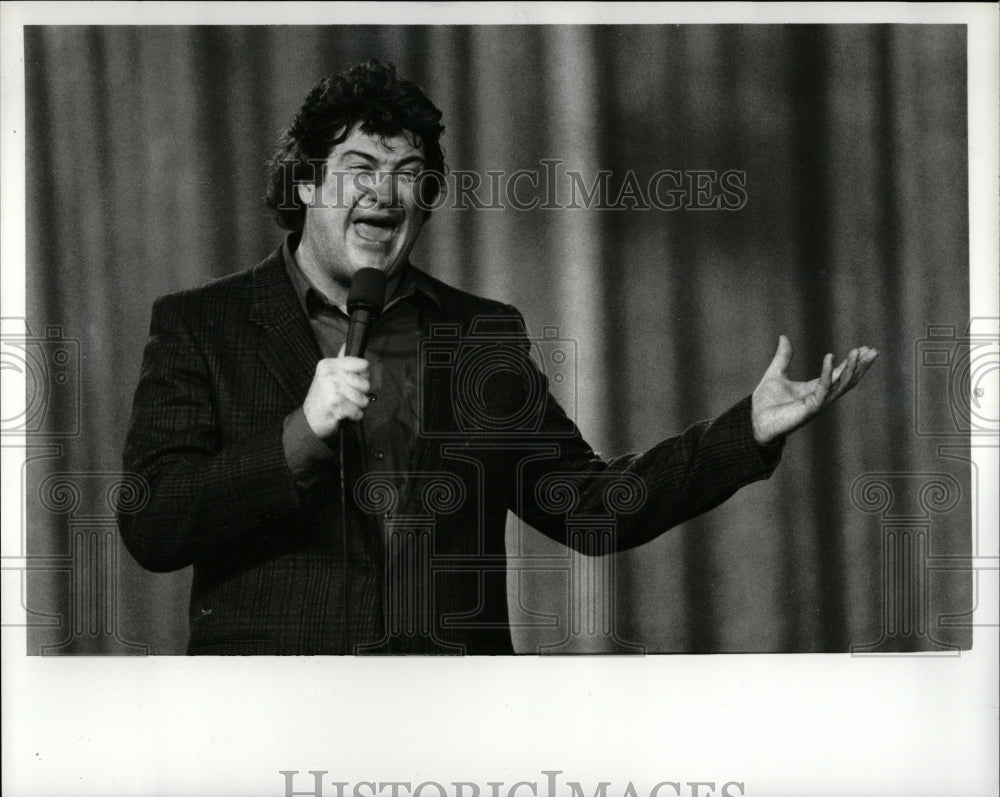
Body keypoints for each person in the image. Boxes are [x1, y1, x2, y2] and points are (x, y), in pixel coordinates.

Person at [118, 59, 877, 655]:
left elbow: (590, 509)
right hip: (274, 722)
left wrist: (745, 431)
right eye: (359, 167)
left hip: (456, 725)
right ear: (307, 181)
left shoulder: (480, 334)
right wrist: (299, 435)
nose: (385, 193)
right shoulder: (202, 324)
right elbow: (152, 525)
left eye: (410, 176)